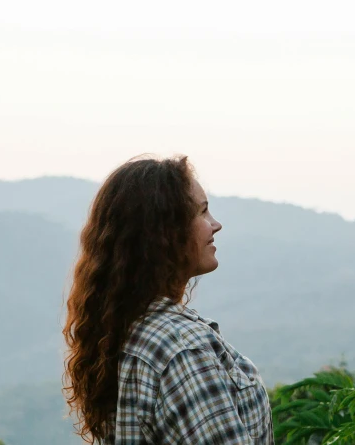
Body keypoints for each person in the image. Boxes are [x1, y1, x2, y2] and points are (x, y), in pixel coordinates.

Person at [62, 155, 273, 444]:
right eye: (202, 212)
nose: (216, 224)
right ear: (164, 231)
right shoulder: (183, 348)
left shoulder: (130, 331)